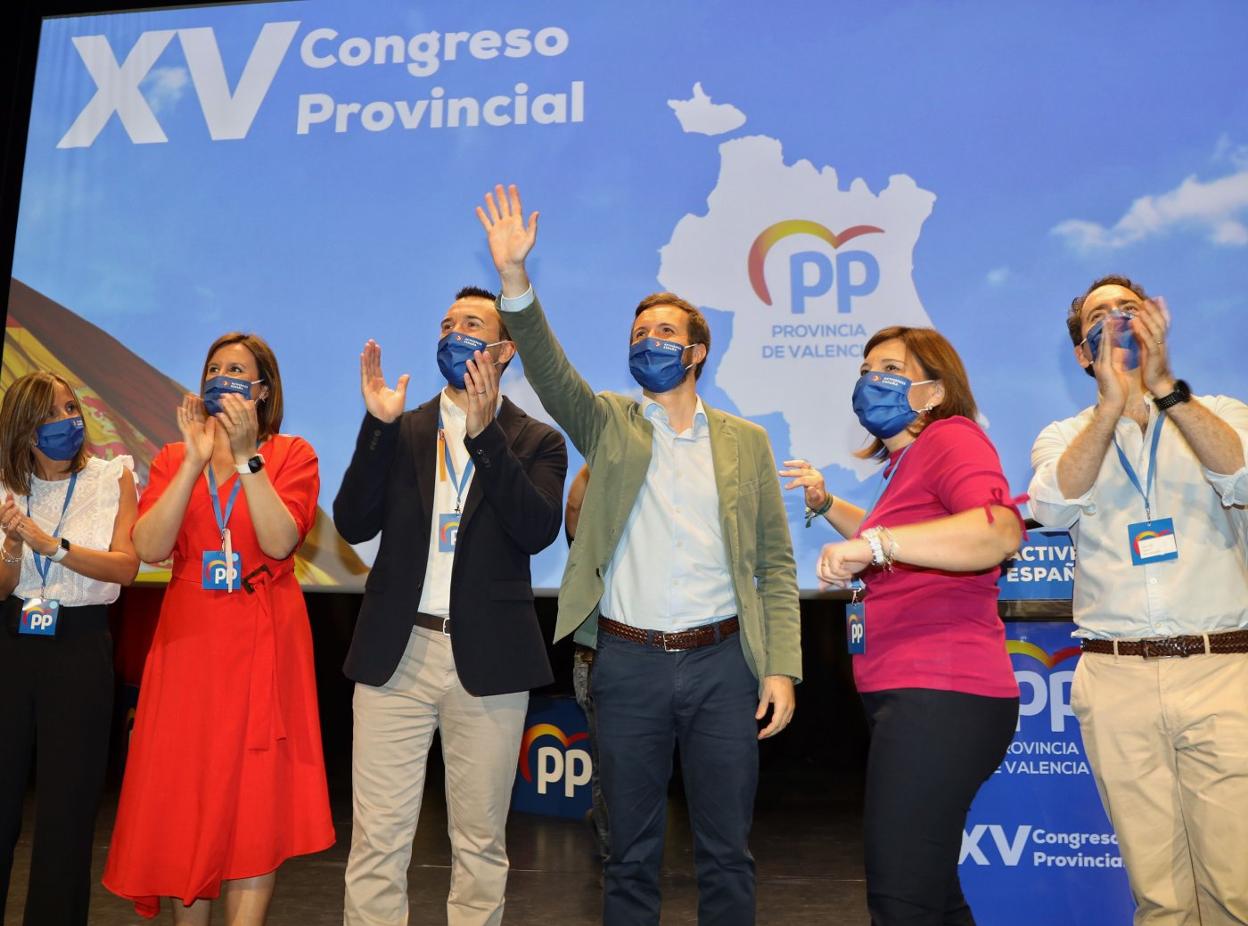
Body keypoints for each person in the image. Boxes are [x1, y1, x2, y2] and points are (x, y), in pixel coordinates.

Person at [476, 183, 800, 926]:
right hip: (626, 665)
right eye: (638, 333)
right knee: (629, 853)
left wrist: (780, 665)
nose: (646, 342)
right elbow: (554, 375)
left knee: (726, 852)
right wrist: (516, 280)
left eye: (662, 332)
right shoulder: (613, 425)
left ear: (696, 351)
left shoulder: (745, 443)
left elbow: (776, 567)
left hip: (725, 665)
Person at [333, 286, 567, 926]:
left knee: (481, 844)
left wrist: (485, 436)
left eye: (472, 324)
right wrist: (377, 428)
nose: (455, 333)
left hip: (489, 660)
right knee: (378, 842)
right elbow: (352, 523)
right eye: (447, 323)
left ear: (505, 349)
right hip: (396, 651)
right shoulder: (404, 429)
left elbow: (537, 528)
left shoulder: (537, 441)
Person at [1028, 275, 1248, 925]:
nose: (1118, 321)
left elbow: (1239, 473)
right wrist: (1109, 406)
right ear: (1080, 351)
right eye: (1101, 315)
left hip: (1220, 669)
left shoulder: (1220, 411)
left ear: (1157, 324)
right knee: (1159, 894)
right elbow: (1049, 505)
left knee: (1236, 887)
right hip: (1115, 673)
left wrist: (1162, 386)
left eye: (1130, 309)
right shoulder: (1063, 435)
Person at [792, 325, 1022, 925]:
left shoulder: (953, 438)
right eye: (867, 369)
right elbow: (891, 535)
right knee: (931, 895)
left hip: (944, 690)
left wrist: (877, 545)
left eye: (891, 369)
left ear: (934, 387)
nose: (873, 381)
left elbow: (997, 531)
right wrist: (826, 506)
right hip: (912, 693)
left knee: (901, 899)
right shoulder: (907, 463)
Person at [102, 333, 334, 924]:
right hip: (189, 649)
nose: (224, 377)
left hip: (263, 644)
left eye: (238, 369)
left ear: (263, 390)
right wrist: (195, 464)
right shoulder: (172, 458)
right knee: (189, 799)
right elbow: (150, 549)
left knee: (254, 801)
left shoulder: (292, 454)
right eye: (214, 367)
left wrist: (247, 456)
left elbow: (281, 541)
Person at [0, 371, 139, 926]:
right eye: (52, 414)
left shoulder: (113, 476)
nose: (69, 422)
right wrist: (13, 548)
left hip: (80, 645)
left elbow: (126, 566)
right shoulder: (6, 484)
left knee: (68, 811)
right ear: (24, 428)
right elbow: (3, 585)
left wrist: (50, 545)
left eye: (71, 407)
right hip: (12, 640)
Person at [565, 463, 610, 864]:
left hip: (651, 660)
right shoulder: (590, 540)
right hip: (597, 658)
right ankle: (613, 848)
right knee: (609, 765)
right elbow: (576, 509)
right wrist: (601, 458)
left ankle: (612, 830)